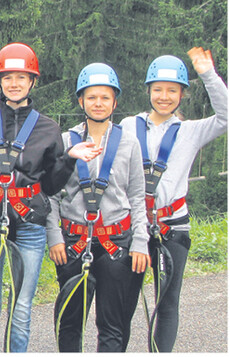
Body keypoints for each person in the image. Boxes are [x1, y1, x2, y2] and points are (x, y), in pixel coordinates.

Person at [0, 43, 100, 352]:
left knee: (22, 305)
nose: (14, 84)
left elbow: (50, 186)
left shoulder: (48, 128)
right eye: (8, 77)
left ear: (32, 82)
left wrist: (69, 159)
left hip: (29, 222)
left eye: (21, 77)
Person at [119, 48, 226, 352]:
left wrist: (208, 74)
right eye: (158, 90)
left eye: (172, 91)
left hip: (173, 226)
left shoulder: (191, 131)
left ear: (182, 94)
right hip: (135, 225)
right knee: (125, 301)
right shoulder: (129, 126)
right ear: (148, 91)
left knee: (167, 302)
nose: (164, 97)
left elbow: (226, 116)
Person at [47, 63, 150, 352]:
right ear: (81, 101)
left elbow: (137, 196)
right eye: (91, 97)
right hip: (73, 242)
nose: (98, 103)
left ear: (115, 102)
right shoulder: (65, 141)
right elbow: (51, 192)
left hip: (115, 242)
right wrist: (54, 236)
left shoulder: (128, 143)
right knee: (70, 322)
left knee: (112, 324)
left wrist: (140, 241)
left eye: (105, 97)